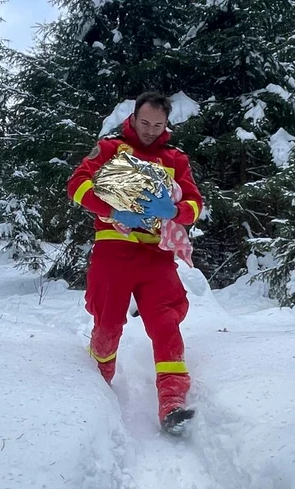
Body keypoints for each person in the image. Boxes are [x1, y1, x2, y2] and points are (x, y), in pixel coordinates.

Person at [66, 92, 204, 433]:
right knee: (108, 321)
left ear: (167, 124)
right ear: (133, 117)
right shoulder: (111, 148)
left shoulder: (176, 158)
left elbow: (195, 203)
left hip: (156, 255)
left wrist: (174, 211)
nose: (150, 130)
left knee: (166, 323)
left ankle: (173, 403)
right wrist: (111, 211)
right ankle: (98, 383)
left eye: (158, 125)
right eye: (145, 123)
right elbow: (76, 185)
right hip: (114, 249)